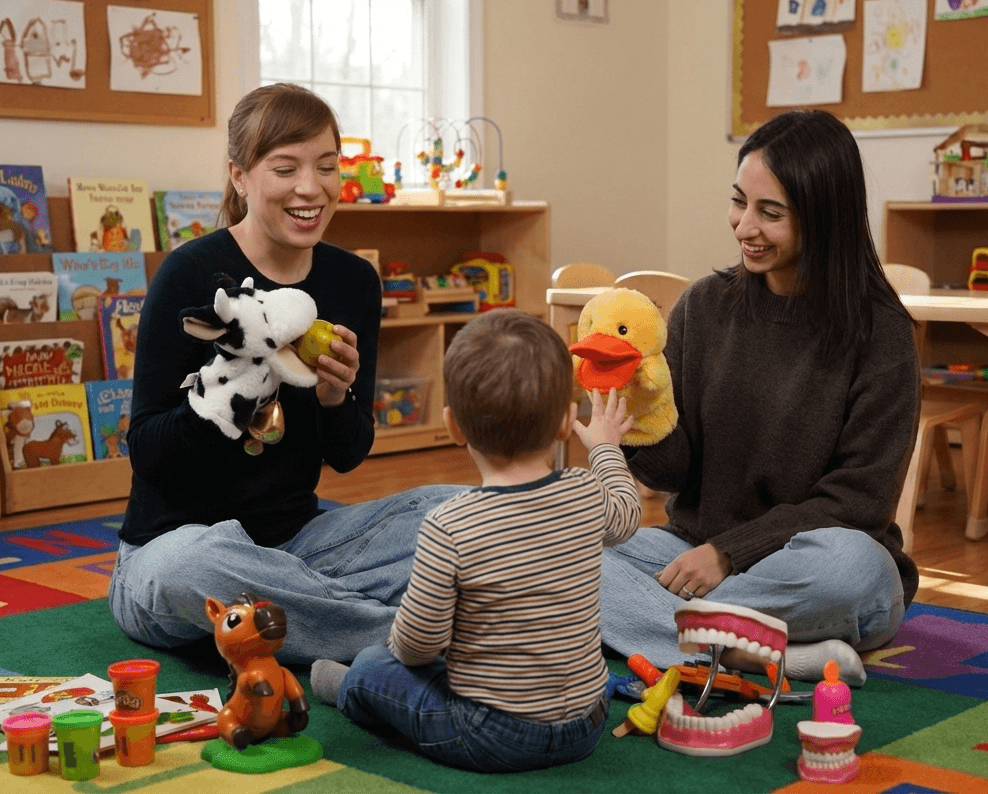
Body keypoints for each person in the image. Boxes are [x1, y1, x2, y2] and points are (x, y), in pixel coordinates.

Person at [107, 83, 463, 664]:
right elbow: (148, 453)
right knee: (191, 565)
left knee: (454, 512)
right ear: (240, 176)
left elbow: (349, 455)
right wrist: (225, 395)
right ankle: (413, 638)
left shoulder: (353, 281)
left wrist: (332, 397)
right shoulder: (190, 274)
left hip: (298, 547)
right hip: (173, 552)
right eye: (285, 168)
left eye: (326, 167)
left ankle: (322, 613)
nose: (310, 188)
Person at [600, 109, 921, 686]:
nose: (743, 225)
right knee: (568, 558)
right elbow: (675, 473)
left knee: (852, 568)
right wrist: (638, 410)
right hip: (693, 550)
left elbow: (859, 501)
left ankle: (670, 633)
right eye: (738, 202)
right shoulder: (704, 305)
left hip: (809, 568)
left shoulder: (882, 332)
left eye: (769, 213)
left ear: (823, 219)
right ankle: (760, 653)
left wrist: (729, 553)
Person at [310, 309, 642, 772]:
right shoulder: (586, 493)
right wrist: (605, 446)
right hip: (587, 723)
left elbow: (417, 647)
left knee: (372, 665)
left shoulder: (451, 525)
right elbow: (627, 511)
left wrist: (411, 648)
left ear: (452, 427)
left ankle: (350, 691)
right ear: (567, 422)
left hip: (492, 734)